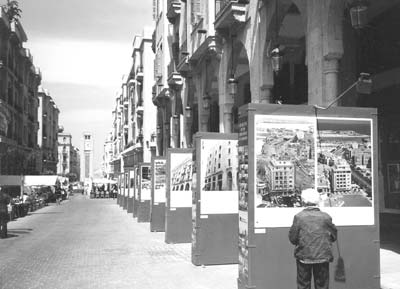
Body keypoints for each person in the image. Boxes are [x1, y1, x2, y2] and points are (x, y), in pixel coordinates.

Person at [289, 188, 337, 289]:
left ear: (303, 201)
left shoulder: (299, 217)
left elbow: (292, 239)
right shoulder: (326, 217)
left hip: (304, 256)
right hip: (322, 257)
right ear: (317, 200)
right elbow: (333, 236)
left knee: (303, 285)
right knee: (322, 285)